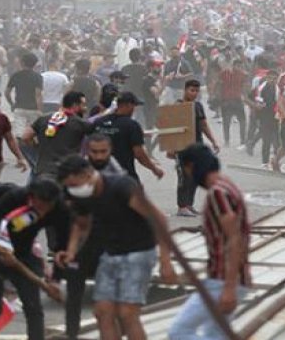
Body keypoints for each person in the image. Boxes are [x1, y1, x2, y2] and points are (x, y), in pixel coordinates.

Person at [55, 155, 176, 340]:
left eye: (74, 184)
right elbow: (81, 224)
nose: (73, 190)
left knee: (128, 314)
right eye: (69, 187)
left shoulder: (121, 187)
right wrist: (72, 251)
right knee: (103, 312)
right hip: (111, 254)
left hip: (139, 253)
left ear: (87, 174)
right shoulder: (81, 195)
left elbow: (159, 219)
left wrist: (165, 261)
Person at [168, 144, 251, 339]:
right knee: (215, 334)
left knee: (179, 331)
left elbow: (235, 239)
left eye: (187, 170)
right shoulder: (227, 185)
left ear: (193, 166)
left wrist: (229, 288)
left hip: (222, 280)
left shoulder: (218, 194)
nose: (188, 176)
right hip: (232, 279)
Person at [0, 179, 69, 340]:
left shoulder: (58, 208)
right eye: (40, 205)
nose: (43, 210)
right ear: (32, 197)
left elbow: (62, 244)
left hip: (24, 252)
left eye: (48, 206)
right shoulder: (14, 198)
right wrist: (4, 252)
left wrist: (56, 278)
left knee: (33, 305)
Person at [62, 134, 120, 340]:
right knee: (73, 295)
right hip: (79, 245)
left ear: (110, 150)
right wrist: (69, 249)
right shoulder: (75, 172)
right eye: (94, 152)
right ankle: (71, 334)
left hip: (107, 245)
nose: (99, 156)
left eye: (103, 152)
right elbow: (73, 217)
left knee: (107, 302)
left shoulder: (117, 176)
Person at [169, 80, 220, 216]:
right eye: (192, 90)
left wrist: (213, 141)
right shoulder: (178, 105)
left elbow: (203, 125)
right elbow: (171, 127)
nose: (194, 93)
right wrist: (170, 147)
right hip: (182, 147)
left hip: (196, 146)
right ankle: (182, 206)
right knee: (184, 177)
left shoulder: (198, 106)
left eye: (197, 91)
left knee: (195, 176)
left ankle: (189, 204)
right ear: (185, 90)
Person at [93, 92, 164, 183]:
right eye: (134, 106)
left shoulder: (99, 122)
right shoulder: (132, 125)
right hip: (124, 177)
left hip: (100, 177)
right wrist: (155, 169)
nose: (134, 110)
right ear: (129, 105)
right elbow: (139, 154)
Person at [23, 91, 94, 181]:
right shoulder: (81, 124)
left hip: (44, 170)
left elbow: (26, 137)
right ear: (75, 105)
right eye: (83, 105)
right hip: (68, 173)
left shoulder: (43, 118)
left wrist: (37, 147)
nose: (85, 108)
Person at [218, 60, 248, 147]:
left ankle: (227, 141)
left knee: (227, 122)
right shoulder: (243, 74)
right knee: (241, 121)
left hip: (227, 100)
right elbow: (244, 87)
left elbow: (219, 85)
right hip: (235, 100)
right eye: (239, 66)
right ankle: (242, 140)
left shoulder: (224, 73)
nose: (239, 68)